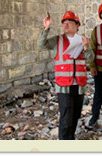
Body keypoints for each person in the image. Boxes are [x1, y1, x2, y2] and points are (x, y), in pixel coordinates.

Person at [38, 11, 94, 140]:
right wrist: (46, 28)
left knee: (75, 115)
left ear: (77, 25)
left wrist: (87, 48)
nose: (66, 25)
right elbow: (41, 44)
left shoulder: (83, 40)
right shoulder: (57, 41)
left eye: (69, 22)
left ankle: (71, 139)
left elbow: (91, 59)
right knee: (66, 116)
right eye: (64, 23)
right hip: (64, 85)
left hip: (79, 85)